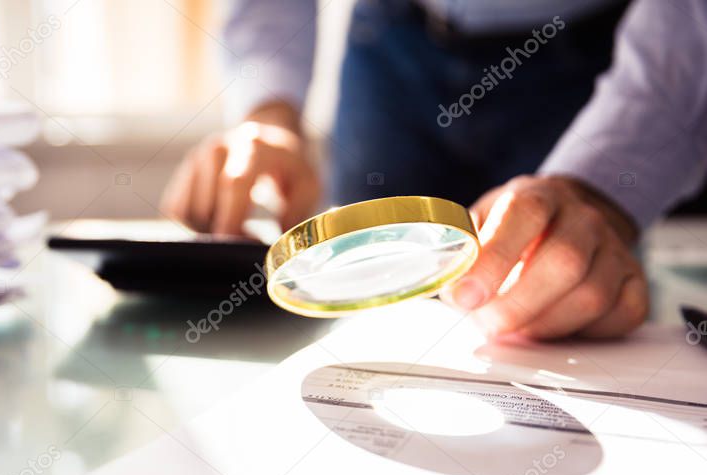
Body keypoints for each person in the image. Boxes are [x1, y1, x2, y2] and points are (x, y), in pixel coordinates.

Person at [162, 0, 707, 339]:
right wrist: (271, 112)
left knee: (568, 296)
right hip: (389, 45)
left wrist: (601, 182)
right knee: (364, 332)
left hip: (598, 53)